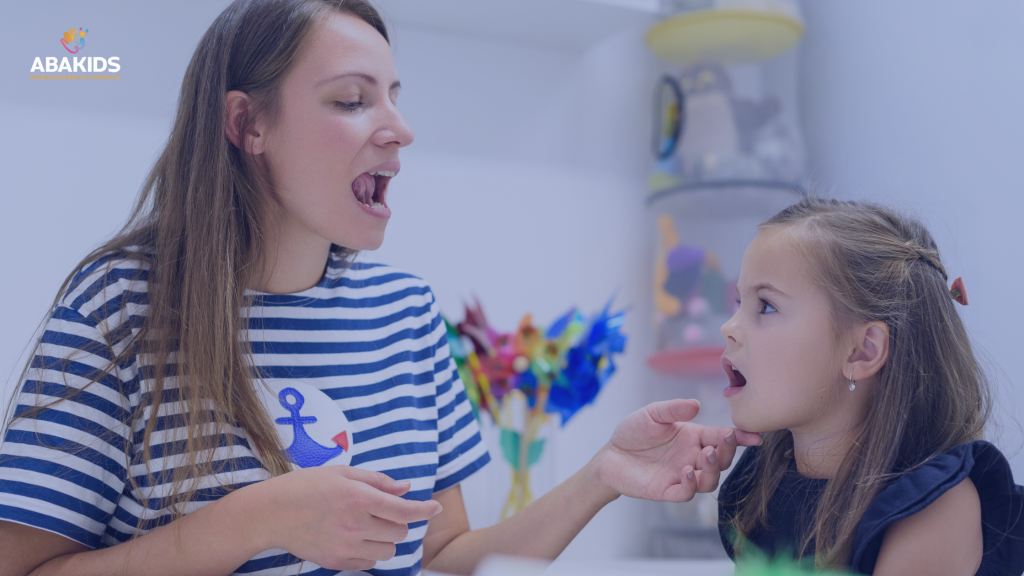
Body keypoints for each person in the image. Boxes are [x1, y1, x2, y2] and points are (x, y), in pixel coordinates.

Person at [0, 2, 761, 575]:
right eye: (352, 99)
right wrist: (250, 522)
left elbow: (450, 556)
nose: (399, 127)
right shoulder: (118, 307)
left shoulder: (405, 315)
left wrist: (605, 476)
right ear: (247, 124)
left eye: (394, 95)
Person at [716, 197, 1024, 575]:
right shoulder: (764, 480)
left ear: (863, 351)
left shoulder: (934, 507)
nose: (728, 327)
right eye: (737, 302)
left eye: (765, 306)